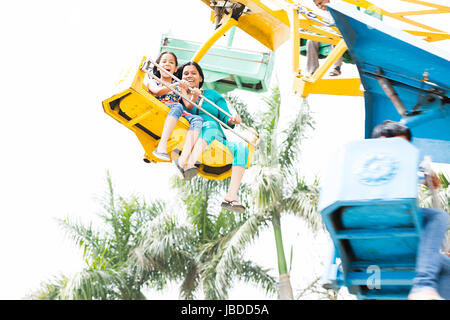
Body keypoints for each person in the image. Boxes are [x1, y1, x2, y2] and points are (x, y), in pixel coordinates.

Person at [372, 120, 450, 300]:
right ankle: (424, 284)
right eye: (401, 147)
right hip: (389, 223)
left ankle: (427, 290)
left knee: (445, 265)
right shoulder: (378, 164)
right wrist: (424, 176)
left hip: (382, 241)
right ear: (384, 141)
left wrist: (424, 179)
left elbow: (398, 174)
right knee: (438, 217)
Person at [174, 61, 249, 213]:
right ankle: (188, 164)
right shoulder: (179, 96)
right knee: (210, 125)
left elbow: (225, 117)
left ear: (200, 78)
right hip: (195, 136)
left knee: (242, 148)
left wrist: (232, 119)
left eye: (193, 73)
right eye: (185, 73)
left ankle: (231, 196)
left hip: (216, 139)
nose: (189, 76)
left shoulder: (211, 95)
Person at [146, 51, 203, 162]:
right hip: (160, 106)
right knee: (177, 106)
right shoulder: (153, 81)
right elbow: (157, 92)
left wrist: (195, 96)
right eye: (164, 61)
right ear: (158, 67)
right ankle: (162, 146)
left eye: (171, 62)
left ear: (175, 69)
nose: (167, 64)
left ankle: (183, 158)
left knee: (197, 119)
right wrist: (176, 84)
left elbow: (188, 105)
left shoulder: (179, 86)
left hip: (175, 111)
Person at [306, 0, 343, 77]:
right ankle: (313, 71)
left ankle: (336, 67)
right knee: (311, 40)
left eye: (320, 3)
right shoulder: (325, 13)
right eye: (317, 5)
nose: (320, 7)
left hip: (341, 33)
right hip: (330, 31)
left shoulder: (339, 6)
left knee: (336, 40)